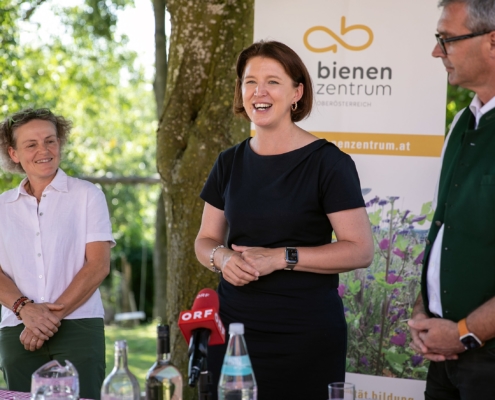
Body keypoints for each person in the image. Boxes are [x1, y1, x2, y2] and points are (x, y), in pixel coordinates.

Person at [194, 40, 374, 400]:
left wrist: (280, 257)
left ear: (297, 92)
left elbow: (360, 251)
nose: (259, 92)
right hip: (233, 332)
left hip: (305, 333)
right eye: (250, 82)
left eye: (273, 81)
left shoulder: (329, 163)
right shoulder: (228, 162)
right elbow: (205, 241)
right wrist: (223, 258)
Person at [407, 1, 495, 399]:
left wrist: (465, 333)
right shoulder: (463, 121)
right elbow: (445, 228)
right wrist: (424, 310)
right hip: (446, 354)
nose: (436, 52)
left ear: (492, 42)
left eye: (446, 40)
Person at [0, 108, 115, 399]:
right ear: (14, 154)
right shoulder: (2, 207)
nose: (44, 150)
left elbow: (98, 265)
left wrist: (48, 319)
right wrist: (25, 310)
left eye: (50, 140)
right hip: (17, 329)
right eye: (31, 144)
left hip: (79, 326)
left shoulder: (88, 195)